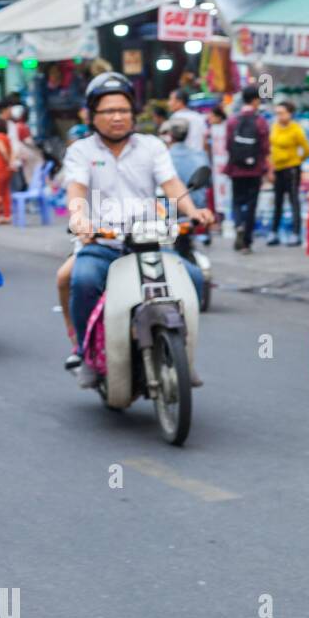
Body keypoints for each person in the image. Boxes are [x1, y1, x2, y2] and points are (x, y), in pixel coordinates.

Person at [63, 72, 211, 385]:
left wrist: (192, 210)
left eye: (124, 110)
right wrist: (79, 218)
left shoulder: (152, 146)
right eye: (108, 111)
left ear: (133, 113)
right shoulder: (81, 151)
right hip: (102, 243)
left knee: (195, 278)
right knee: (83, 280)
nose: (117, 117)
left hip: (148, 243)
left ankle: (182, 353)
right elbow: (76, 190)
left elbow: (172, 184)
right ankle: (87, 354)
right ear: (93, 115)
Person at [223, 85, 269, 254]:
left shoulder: (233, 121)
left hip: (236, 169)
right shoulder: (260, 122)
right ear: (255, 100)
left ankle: (239, 225)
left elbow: (228, 145)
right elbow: (265, 148)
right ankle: (246, 242)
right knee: (251, 204)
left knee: (236, 201)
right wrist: (265, 168)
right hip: (254, 170)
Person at [266, 101, 309, 246]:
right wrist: (271, 168)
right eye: (277, 113)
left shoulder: (296, 129)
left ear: (290, 114)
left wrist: (297, 161)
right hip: (277, 169)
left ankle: (296, 233)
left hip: (292, 169)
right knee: (277, 201)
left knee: (293, 200)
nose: (279, 116)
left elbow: (307, 149)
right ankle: (274, 232)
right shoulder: (274, 127)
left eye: (281, 113)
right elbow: (270, 148)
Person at [160, 120, 210, 209]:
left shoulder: (163, 158)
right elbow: (208, 182)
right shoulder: (201, 155)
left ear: (169, 136)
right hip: (199, 208)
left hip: (173, 211)